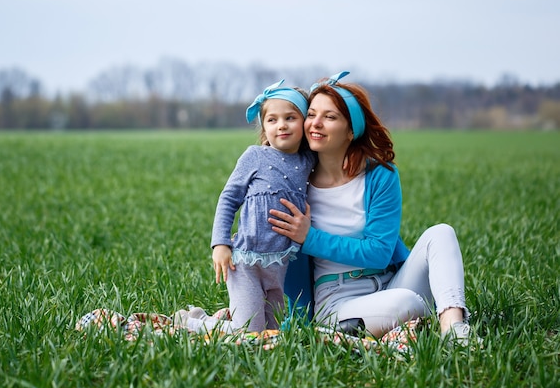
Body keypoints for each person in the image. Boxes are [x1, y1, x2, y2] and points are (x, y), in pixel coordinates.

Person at [268, 71, 478, 345]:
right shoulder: (295, 181)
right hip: (336, 300)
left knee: (441, 232)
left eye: (330, 117)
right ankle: (420, 313)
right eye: (312, 114)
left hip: (391, 282)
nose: (315, 124)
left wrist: (310, 239)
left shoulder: (380, 175)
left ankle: (455, 332)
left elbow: (379, 253)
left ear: (351, 130)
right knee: (406, 302)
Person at [174, 80, 315, 333]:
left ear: (304, 122)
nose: (281, 125)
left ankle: (206, 320)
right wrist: (220, 243)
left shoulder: (308, 161)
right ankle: (190, 323)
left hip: (279, 264)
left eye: (290, 117)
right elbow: (228, 198)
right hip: (245, 262)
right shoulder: (255, 156)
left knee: (272, 332)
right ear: (264, 127)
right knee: (249, 331)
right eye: (272, 120)